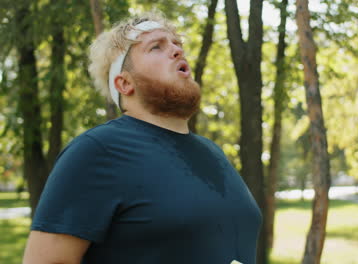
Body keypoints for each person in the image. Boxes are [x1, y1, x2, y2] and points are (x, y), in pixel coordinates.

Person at [22, 11, 262, 264]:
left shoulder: (212, 151)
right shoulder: (98, 150)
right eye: (156, 47)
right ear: (125, 83)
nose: (177, 51)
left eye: (177, 44)